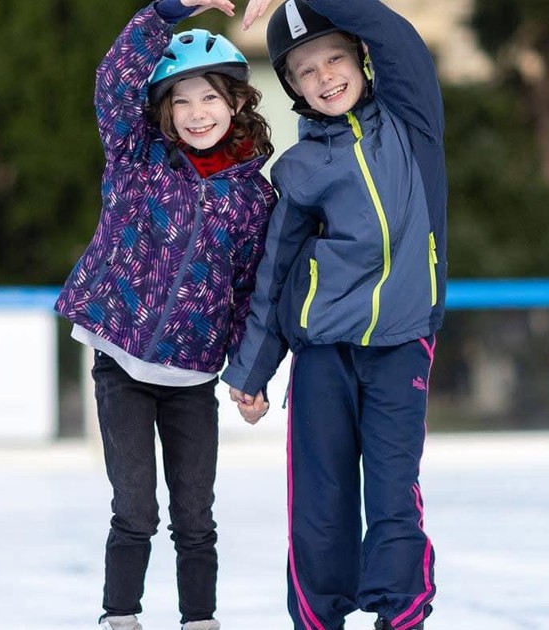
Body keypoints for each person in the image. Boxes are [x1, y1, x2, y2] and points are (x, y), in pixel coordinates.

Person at [224, 1, 447, 628]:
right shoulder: (299, 169)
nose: (324, 77)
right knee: (320, 503)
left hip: (402, 342)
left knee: (393, 492)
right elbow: (274, 273)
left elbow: (391, 31)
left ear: (361, 57)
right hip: (322, 353)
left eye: (334, 59)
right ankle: (318, 619)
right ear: (291, 86)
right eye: (305, 70)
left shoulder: (411, 122)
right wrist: (253, 369)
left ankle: (401, 615)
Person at [55, 1, 276, 627]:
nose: (196, 113)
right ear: (163, 111)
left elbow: (249, 292)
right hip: (122, 364)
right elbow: (114, 79)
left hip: (192, 377)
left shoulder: (253, 197)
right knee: (135, 510)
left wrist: (251, 374)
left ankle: (199, 619)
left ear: (235, 102)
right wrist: (166, 11)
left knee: (195, 517)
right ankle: (120, 616)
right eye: (181, 102)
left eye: (209, 98)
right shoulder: (137, 158)